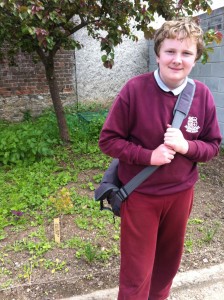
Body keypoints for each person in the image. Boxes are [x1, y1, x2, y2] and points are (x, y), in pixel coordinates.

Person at [98, 17, 222, 300]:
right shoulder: (135, 90)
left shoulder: (201, 96)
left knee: (167, 267)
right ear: (157, 54)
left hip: (181, 196)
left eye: (186, 53)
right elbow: (108, 141)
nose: (177, 60)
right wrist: (148, 156)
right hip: (141, 196)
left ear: (196, 58)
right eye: (170, 51)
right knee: (136, 273)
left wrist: (187, 147)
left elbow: (213, 146)